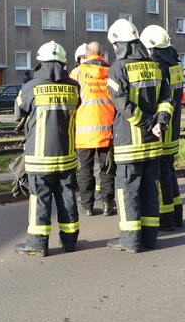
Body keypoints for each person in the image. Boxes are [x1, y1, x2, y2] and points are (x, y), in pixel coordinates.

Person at [106, 19, 173, 253]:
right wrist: (160, 122)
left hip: (129, 144)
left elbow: (123, 105)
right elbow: (167, 98)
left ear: (119, 44)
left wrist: (146, 123)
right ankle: (149, 237)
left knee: (128, 192)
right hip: (154, 143)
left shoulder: (118, 68)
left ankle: (130, 240)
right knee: (149, 191)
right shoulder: (154, 66)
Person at [13, 41, 81, 257]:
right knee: (67, 197)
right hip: (67, 155)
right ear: (63, 63)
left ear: (39, 62)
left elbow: (18, 114)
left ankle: (37, 244)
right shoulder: (74, 86)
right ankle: (69, 241)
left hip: (39, 157)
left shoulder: (31, 87)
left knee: (40, 198)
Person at [139, 25, 185, 229]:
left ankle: (165, 219)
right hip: (173, 128)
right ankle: (176, 215)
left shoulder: (158, 66)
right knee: (169, 172)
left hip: (161, 128)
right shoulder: (176, 64)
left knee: (161, 175)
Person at [69, 41, 115, 216]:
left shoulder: (77, 73)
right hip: (107, 129)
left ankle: (87, 206)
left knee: (85, 170)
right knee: (107, 169)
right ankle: (107, 204)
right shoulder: (112, 72)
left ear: (86, 55)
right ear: (102, 54)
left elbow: (71, 101)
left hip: (83, 132)